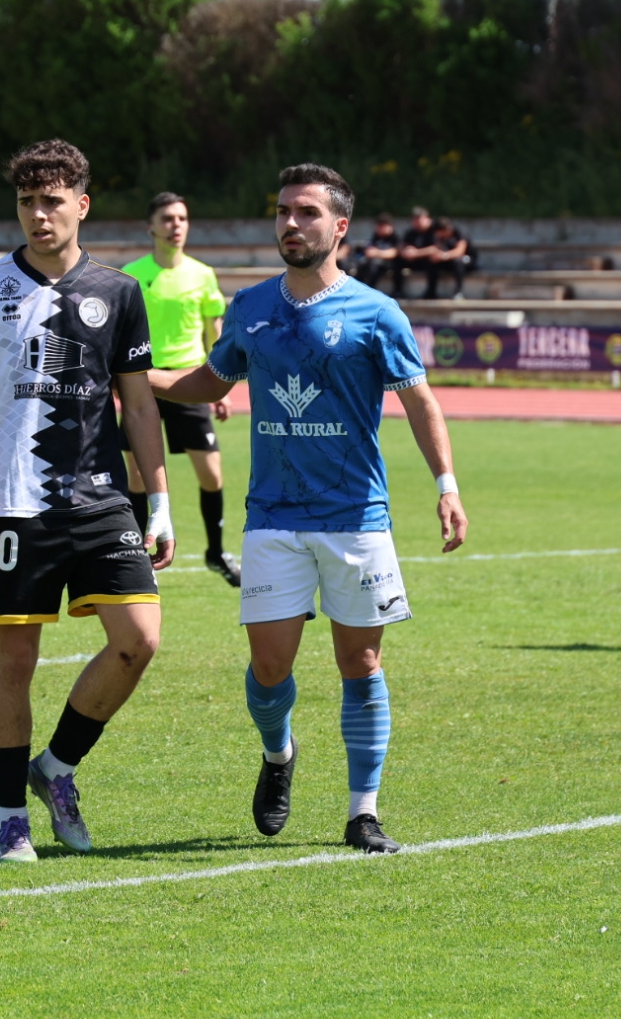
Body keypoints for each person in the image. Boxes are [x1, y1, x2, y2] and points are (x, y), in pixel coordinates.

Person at [150, 163, 470, 853]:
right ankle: (279, 753)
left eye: (307, 213)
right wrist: (138, 376)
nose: (291, 224)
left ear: (340, 226)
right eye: (283, 212)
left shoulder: (376, 312)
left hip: (357, 517)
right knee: (269, 668)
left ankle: (363, 813)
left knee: (362, 663)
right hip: (273, 515)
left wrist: (446, 483)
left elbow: (420, 401)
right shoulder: (251, 307)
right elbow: (211, 379)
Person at [0, 139, 177, 865]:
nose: (39, 215)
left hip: (101, 498)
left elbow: (138, 404)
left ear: (82, 206)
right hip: (15, 502)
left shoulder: (119, 293)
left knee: (139, 639)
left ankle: (57, 765)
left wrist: (160, 499)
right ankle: (11, 820)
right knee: (14, 660)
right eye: (27, 202)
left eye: (53, 202)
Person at [121, 192, 241, 586]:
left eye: (182, 218)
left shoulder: (202, 274)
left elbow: (214, 331)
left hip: (189, 381)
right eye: (168, 218)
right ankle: (137, 557)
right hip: (143, 382)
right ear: (151, 227)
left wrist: (221, 386)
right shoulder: (131, 274)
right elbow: (120, 333)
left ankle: (215, 552)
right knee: (137, 475)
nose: (176, 225)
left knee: (211, 474)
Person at [352, 212, 401, 294]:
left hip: (389, 263)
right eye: (379, 226)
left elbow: (394, 252)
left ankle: (370, 291)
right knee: (363, 265)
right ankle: (356, 289)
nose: (380, 228)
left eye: (382, 226)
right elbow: (370, 248)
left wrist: (377, 253)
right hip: (374, 262)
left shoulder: (394, 238)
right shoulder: (376, 237)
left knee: (375, 265)